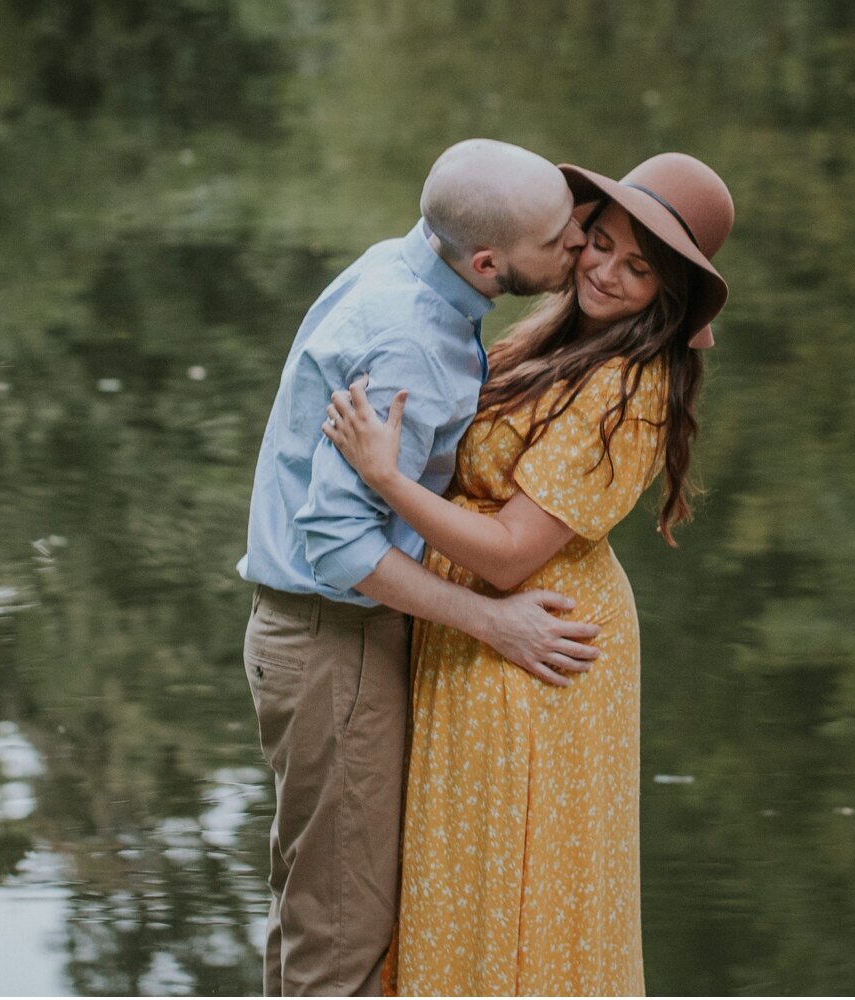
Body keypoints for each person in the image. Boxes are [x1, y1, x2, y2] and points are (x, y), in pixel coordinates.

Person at [321, 151, 735, 996]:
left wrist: (387, 480)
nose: (607, 272)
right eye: (602, 243)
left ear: (670, 294)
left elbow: (512, 550)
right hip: (480, 630)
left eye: (639, 267)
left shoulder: (632, 384)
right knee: (462, 872)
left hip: (532, 643)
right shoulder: (555, 334)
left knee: (515, 883)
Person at [238, 139, 610, 997]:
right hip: (339, 647)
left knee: (314, 917)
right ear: (489, 261)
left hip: (319, 642)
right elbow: (338, 543)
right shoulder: (408, 342)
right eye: (562, 238)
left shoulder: (403, 271)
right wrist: (494, 621)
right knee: (344, 943)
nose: (580, 246)